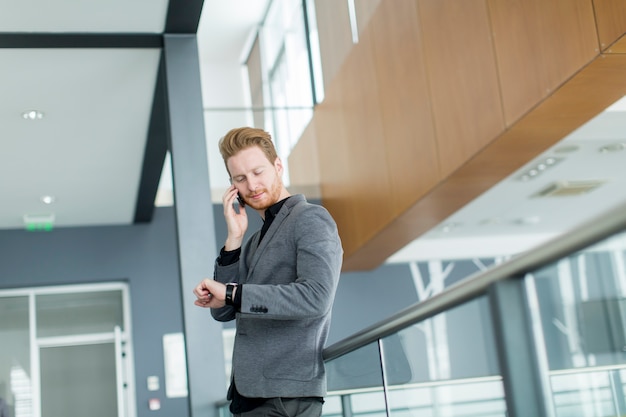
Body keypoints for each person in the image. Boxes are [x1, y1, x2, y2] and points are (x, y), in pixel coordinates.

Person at [193, 127, 343, 416]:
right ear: (232, 185)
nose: (251, 184)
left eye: (258, 172)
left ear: (277, 166)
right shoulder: (253, 241)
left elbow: (316, 298)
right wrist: (233, 241)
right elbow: (222, 311)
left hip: (284, 397)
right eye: (241, 178)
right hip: (250, 395)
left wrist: (231, 293)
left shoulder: (311, 219)